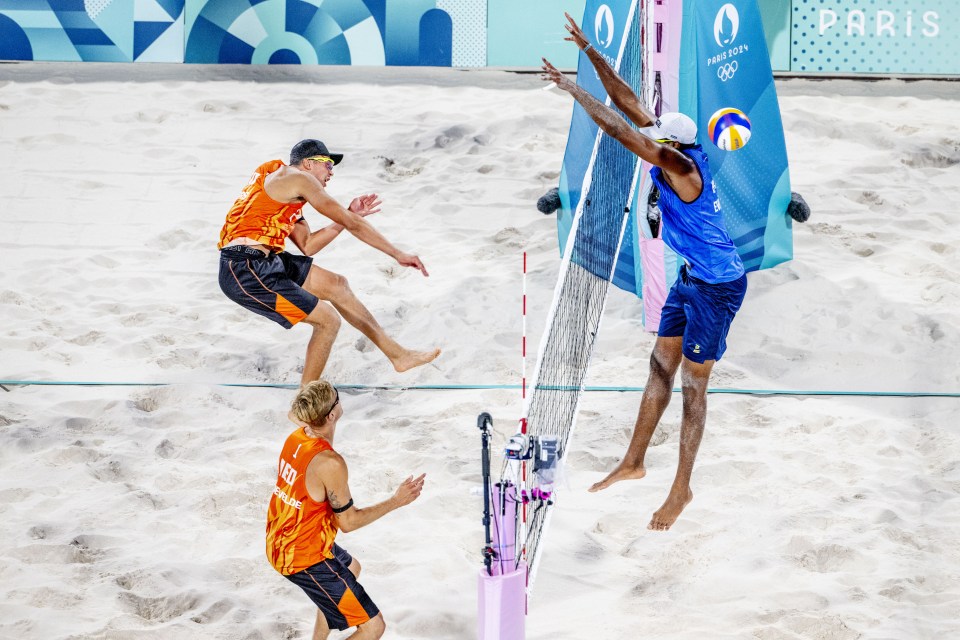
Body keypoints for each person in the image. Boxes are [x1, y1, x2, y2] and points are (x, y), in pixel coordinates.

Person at [542, 14, 748, 531]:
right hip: (691, 280)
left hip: (719, 289)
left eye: (661, 141)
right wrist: (590, 52)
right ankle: (634, 462)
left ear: (675, 147)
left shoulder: (683, 167)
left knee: (694, 391)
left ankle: (682, 489)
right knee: (659, 366)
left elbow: (617, 127)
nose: (654, 140)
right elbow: (630, 103)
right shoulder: (672, 144)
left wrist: (571, 90)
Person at [218, 139, 440, 385]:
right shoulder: (300, 179)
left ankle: (399, 356)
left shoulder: (282, 184)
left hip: (264, 259)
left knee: (337, 285)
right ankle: (306, 401)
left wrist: (349, 214)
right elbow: (354, 225)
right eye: (328, 164)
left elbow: (308, 244)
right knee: (328, 321)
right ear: (309, 163)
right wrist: (397, 254)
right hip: (244, 269)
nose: (331, 172)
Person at [266, 380, 426, 639]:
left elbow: (294, 413)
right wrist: (397, 500)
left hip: (283, 538)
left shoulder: (298, 435)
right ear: (331, 415)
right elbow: (348, 523)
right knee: (373, 627)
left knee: (351, 568)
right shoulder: (330, 463)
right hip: (302, 556)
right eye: (338, 397)